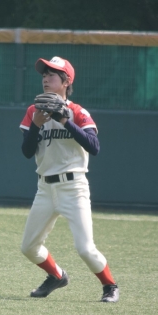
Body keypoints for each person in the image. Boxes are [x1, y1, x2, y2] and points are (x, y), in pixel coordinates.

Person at [19, 56, 119, 302]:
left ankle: (110, 286)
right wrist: (36, 125)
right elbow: (27, 152)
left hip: (73, 187)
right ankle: (57, 276)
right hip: (45, 188)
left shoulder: (76, 112)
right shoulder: (33, 112)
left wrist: (64, 120)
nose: (45, 79)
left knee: (85, 248)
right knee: (29, 247)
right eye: (44, 75)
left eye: (52, 75)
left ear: (66, 82)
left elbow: (94, 146)